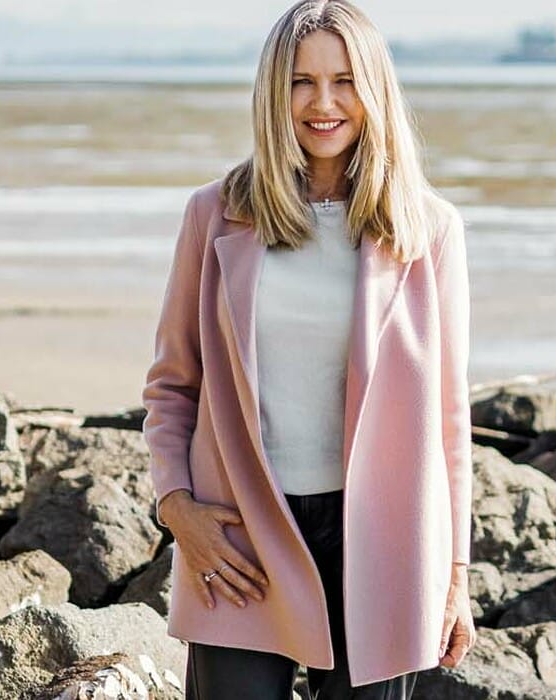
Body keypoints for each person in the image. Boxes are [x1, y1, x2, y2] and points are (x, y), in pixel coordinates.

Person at [139, 0, 475, 697]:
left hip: (384, 543)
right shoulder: (214, 213)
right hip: (241, 534)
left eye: (345, 80)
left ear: (374, 89)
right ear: (272, 92)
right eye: (301, 82)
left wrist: (455, 579)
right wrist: (178, 509)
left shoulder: (429, 230)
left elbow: (449, 419)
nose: (323, 103)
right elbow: (174, 385)